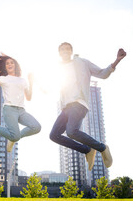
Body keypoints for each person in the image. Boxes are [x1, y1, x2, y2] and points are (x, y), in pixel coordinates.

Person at [50, 42, 126, 170]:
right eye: (62, 49)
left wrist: (116, 61)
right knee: (54, 135)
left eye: (67, 49)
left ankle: (102, 148)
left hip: (79, 103)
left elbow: (102, 73)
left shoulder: (82, 63)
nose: (65, 51)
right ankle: (87, 150)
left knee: (71, 131)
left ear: (71, 51)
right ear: (59, 53)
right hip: (66, 107)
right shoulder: (58, 68)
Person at [0, 54, 41, 152]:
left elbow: (29, 97)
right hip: (9, 110)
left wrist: (31, 83)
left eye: (11, 63)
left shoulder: (22, 80)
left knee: (36, 127)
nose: (9, 64)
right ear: (5, 67)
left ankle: (13, 137)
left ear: (15, 65)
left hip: (21, 111)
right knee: (15, 136)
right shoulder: (2, 79)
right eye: (7, 63)